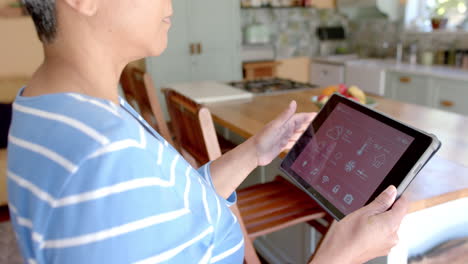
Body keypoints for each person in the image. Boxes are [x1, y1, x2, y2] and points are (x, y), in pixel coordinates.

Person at [7, 0, 408, 263]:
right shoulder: (105, 156)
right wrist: (339, 256)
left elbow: (171, 203)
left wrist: (253, 152)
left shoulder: (53, 102)